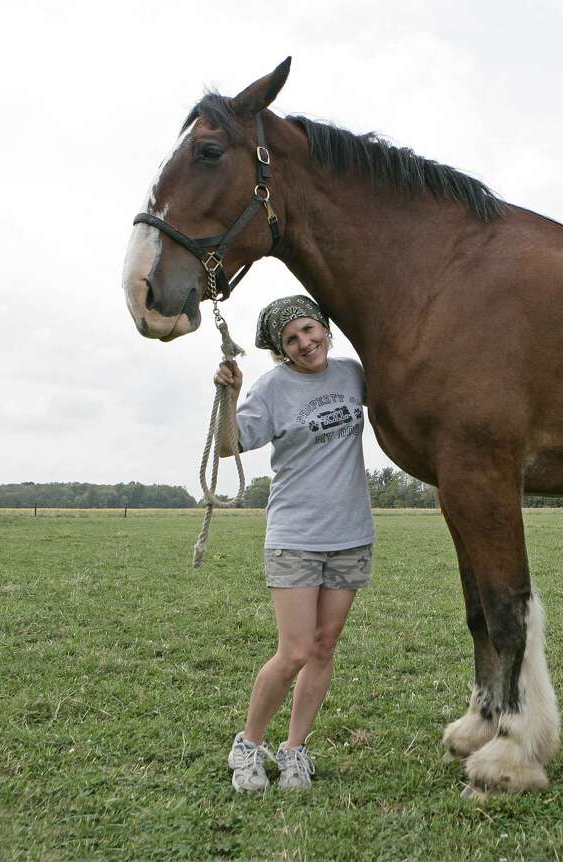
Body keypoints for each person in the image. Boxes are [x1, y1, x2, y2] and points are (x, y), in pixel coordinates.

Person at [213, 294, 374, 792]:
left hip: (351, 535)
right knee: (295, 650)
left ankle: (295, 750)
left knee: (324, 648)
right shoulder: (273, 388)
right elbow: (228, 445)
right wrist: (229, 398)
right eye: (292, 339)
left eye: (309, 330)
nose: (305, 343)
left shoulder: (352, 374)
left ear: (325, 326)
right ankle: (247, 745)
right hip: (296, 537)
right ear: (281, 350)